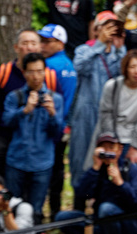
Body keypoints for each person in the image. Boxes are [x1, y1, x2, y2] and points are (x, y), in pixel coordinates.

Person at [56, 132, 137, 234]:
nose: (108, 152)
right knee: (62, 218)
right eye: (103, 148)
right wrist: (95, 168)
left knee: (106, 209)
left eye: (111, 147)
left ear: (120, 149)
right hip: (100, 222)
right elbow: (82, 194)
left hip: (127, 226)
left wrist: (120, 184)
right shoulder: (97, 171)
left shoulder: (130, 169)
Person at [68, 11, 126, 193]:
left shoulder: (119, 53)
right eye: (106, 26)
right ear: (97, 29)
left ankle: (101, 197)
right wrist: (100, 44)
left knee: (108, 157)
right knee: (80, 156)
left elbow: (125, 78)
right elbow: (78, 67)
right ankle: (79, 197)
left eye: (113, 27)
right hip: (85, 113)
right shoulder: (84, 50)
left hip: (109, 116)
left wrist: (118, 49)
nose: (110, 31)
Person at [2, 53, 65, 220]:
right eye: (31, 71)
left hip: (42, 163)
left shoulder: (55, 99)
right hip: (16, 161)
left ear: (45, 72)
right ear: (24, 73)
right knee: (12, 207)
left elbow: (57, 132)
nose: (36, 76)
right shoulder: (15, 97)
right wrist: (25, 110)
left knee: (36, 210)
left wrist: (52, 113)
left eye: (39, 71)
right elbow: (6, 121)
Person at [94, 49, 137, 182]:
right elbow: (106, 113)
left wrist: (133, 147)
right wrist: (111, 143)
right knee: (106, 179)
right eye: (132, 67)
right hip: (111, 137)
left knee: (132, 178)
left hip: (135, 138)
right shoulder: (113, 86)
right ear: (126, 68)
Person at [39, 24, 78, 220]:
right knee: (57, 170)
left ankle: (44, 214)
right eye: (41, 41)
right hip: (62, 127)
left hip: (50, 127)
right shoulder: (68, 64)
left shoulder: (50, 66)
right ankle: (55, 212)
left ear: (60, 43)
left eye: (48, 41)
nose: (42, 45)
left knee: (47, 171)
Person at [0, 30, 44, 180]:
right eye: (25, 43)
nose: (29, 47)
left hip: (37, 139)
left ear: (40, 47)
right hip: (6, 136)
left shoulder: (48, 75)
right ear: (16, 47)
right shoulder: (3, 74)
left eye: (33, 43)